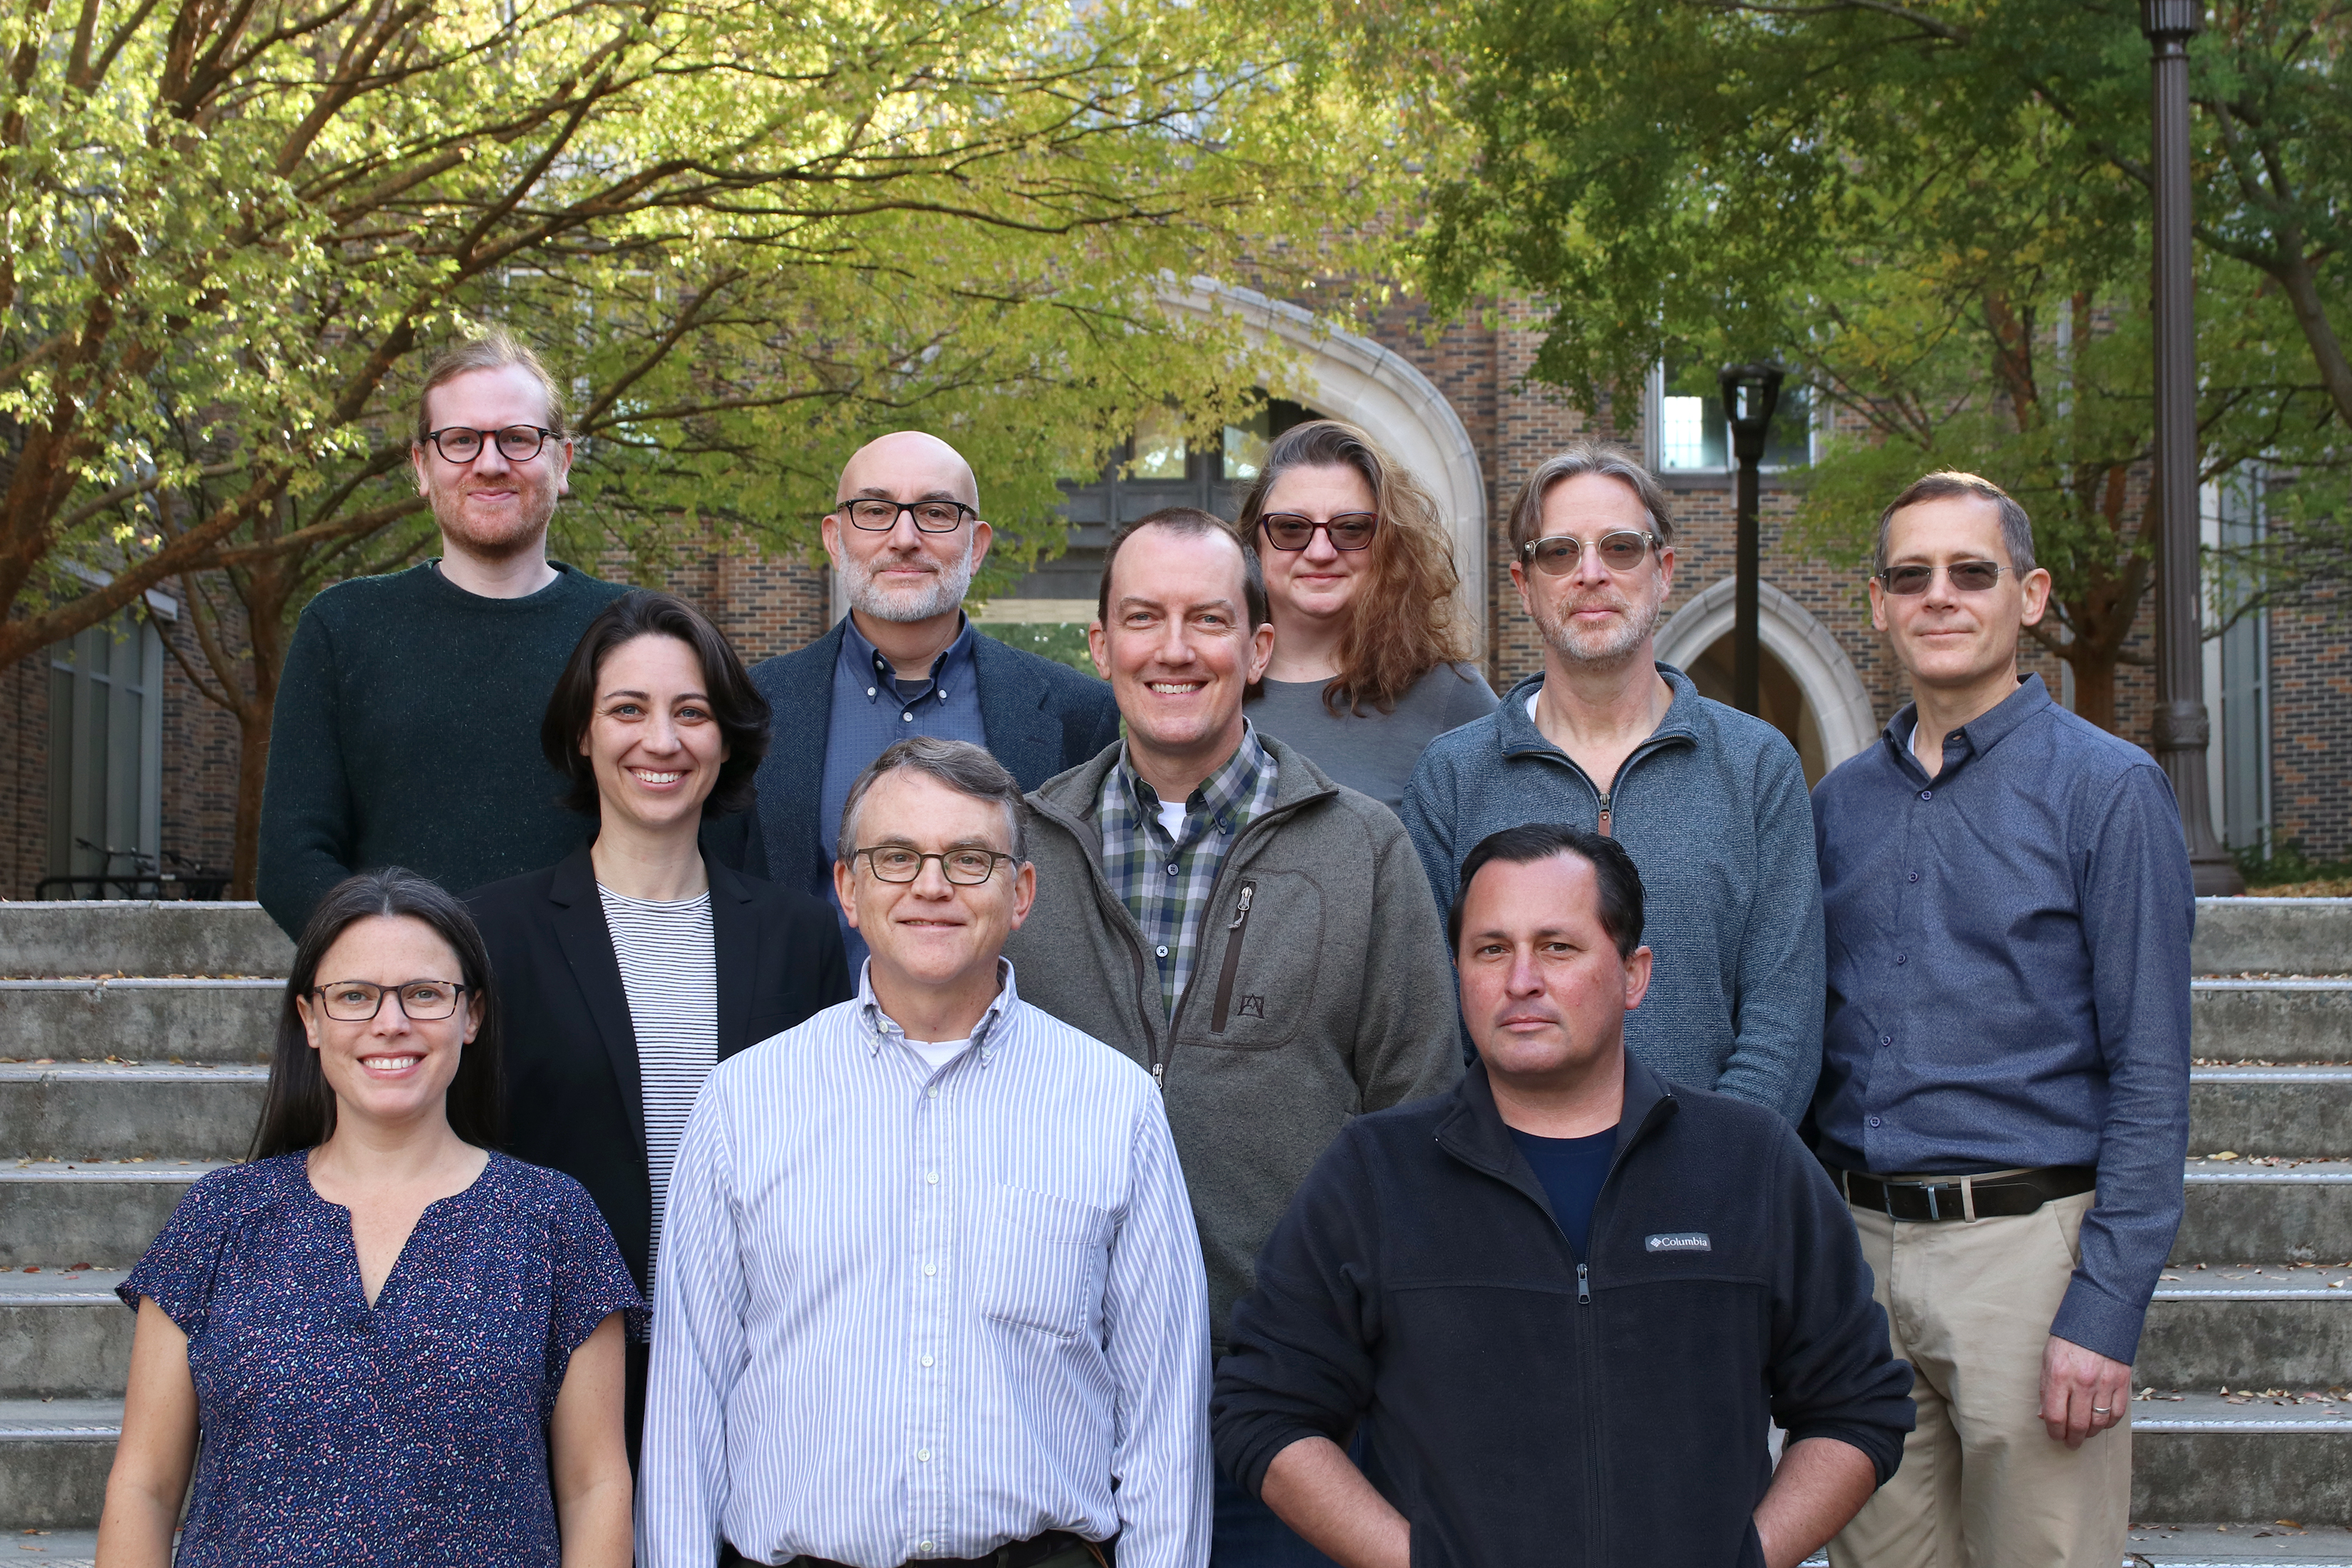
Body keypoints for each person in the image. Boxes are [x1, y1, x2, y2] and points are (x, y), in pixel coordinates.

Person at [1211, 824, 1914, 1568]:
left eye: (1557, 946)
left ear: (1634, 973)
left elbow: (1856, 1404)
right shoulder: (1375, 1174)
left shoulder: (1751, 1164)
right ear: (1459, 974)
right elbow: (1264, 1410)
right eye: (1491, 949)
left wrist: (1745, 1558)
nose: (1521, 980)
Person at [1001, 506, 1460, 1564]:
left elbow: (1419, 1112)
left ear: (1257, 650)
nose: (1174, 650)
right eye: (1143, 619)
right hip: (1063, 1407)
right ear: (1101, 645)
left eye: (1207, 620)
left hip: (1294, 1408)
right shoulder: (1021, 849)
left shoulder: (1364, 849)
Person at [639, 737, 1212, 1568]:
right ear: (848, 888)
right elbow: (688, 1414)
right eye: (897, 856)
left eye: (970, 859)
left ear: (1020, 894)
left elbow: (1165, 1420)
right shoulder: (742, 1105)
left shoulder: (1114, 1106)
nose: (932, 885)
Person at [1813, 473, 2192, 1568]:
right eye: (1911, 576)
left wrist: (2105, 1310)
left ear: (2027, 597)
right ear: (1878, 603)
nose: (1941, 597)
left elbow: (2154, 1073)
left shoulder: (2108, 793)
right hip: (1862, 1263)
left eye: (1970, 572)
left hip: (2029, 1264)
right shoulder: (1839, 807)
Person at [97, 868, 645, 1568]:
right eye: (354, 996)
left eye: (424, 994)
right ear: (311, 1020)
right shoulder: (221, 1218)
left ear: (471, 1015)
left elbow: (595, 1488)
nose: (392, 1022)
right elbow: (145, 1486)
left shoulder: (552, 1222)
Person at [467, 590, 850, 1459]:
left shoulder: (800, 935)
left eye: (692, 712)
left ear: (726, 739)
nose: (662, 741)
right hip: (549, 1373)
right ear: (582, 734)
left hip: (763, 1373)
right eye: (627, 710)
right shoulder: (493, 935)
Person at [258, 331, 752, 937]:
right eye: (460, 440)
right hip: (407, 1014)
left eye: (518, 439)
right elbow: (291, 862)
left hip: (600, 1009)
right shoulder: (343, 627)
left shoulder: (636, 633)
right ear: (421, 466)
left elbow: (712, 828)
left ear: (562, 462)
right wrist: (410, 976)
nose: (489, 463)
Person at [1400, 440, 1822, 1123]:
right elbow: (1431, 1016)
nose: (1591, 573)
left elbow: (1785, 1018)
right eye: (1560, 552)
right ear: (1523, 585)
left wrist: (1708, 1170)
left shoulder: (1756, 766)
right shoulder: (1453, 776)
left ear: (1664, 571)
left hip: (1713, 1195)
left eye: (1621, 548)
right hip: (1510, 1194)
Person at [747, 430, 1121, 969]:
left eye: (937, 512)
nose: (904, 537)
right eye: (875, 510)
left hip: (1016, 1049)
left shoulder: (1078, 714)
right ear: (834, 539)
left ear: (978, 545)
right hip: (805, 1047)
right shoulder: (751, 709)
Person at [1234, 419, 1497, 809]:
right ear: (1254, 540)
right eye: (1291, 528)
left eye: (1351, 528)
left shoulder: (1452, 700)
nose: (1320, 552)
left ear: (1389, 544)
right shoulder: (1210, 684)